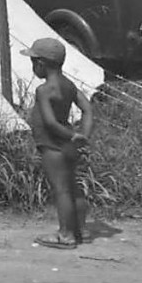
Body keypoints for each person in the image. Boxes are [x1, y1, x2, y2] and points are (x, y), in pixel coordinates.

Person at [23, 37, 94, 249]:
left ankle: (66, 235)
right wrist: (83, 136)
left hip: (52, 144)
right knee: (72, 187)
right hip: (69, 144)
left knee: (61, 190)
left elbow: (50, 123)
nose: (33, 67)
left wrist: (72, 136)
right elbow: (88, 109)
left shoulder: (44, 90)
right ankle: (79, 229)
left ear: (41, 64)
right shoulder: (69, 85)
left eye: (33, 62)